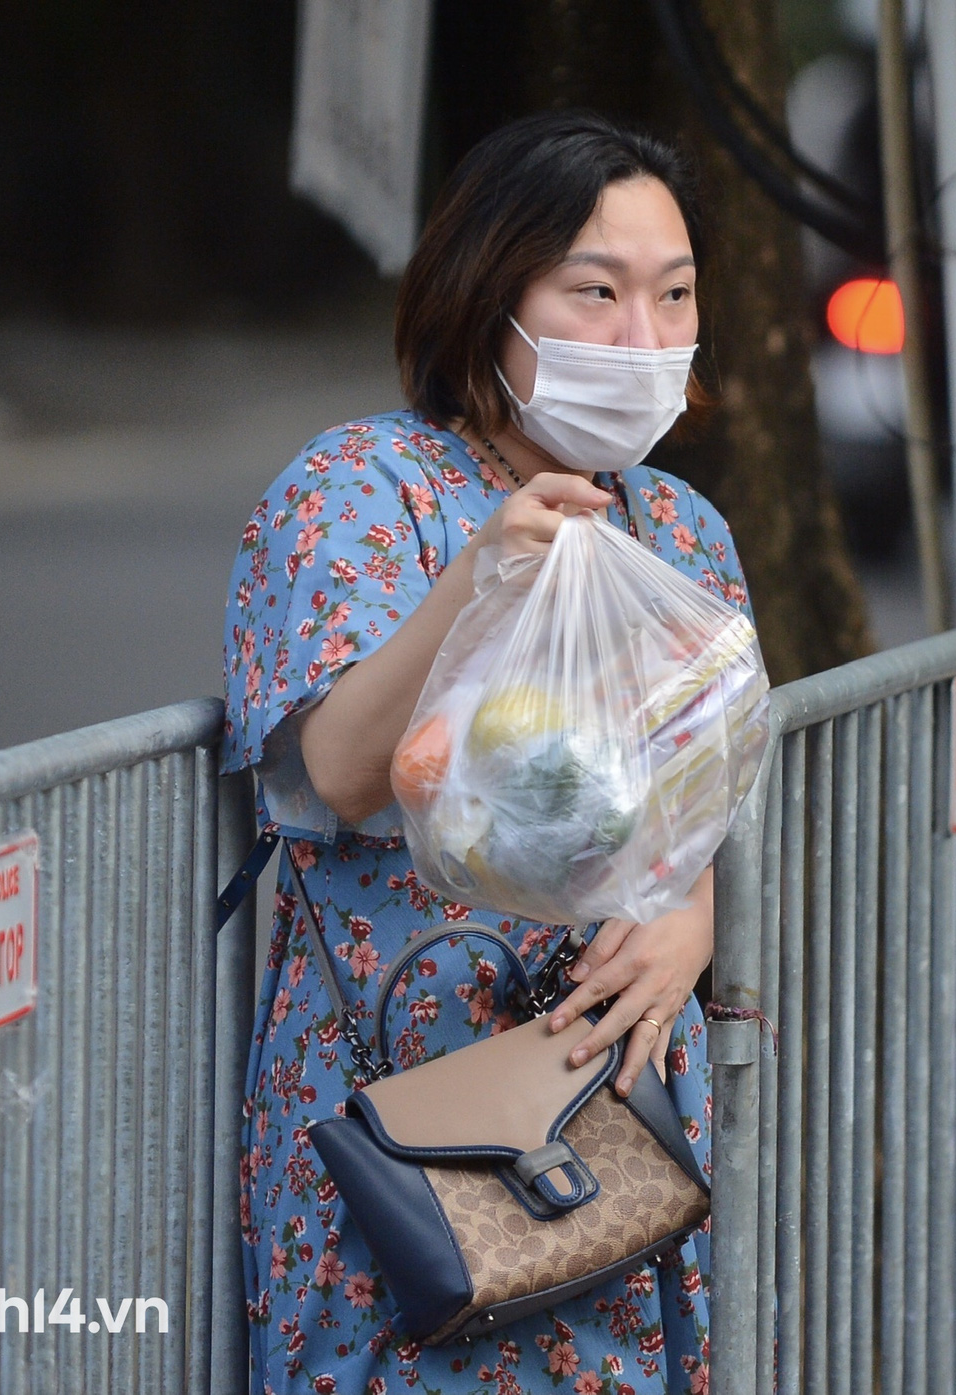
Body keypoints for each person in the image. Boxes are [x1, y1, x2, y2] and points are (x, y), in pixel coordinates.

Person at [221, 111, 750, 1395]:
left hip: (624, 1116)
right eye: (595, 293)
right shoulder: (358, 490)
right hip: (415, 1121)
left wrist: (689, 917)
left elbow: (692, 795)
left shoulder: (678, 529)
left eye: (672, 296)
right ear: (487, 301)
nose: (644, 338)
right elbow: (339, 774)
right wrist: (477, 577)